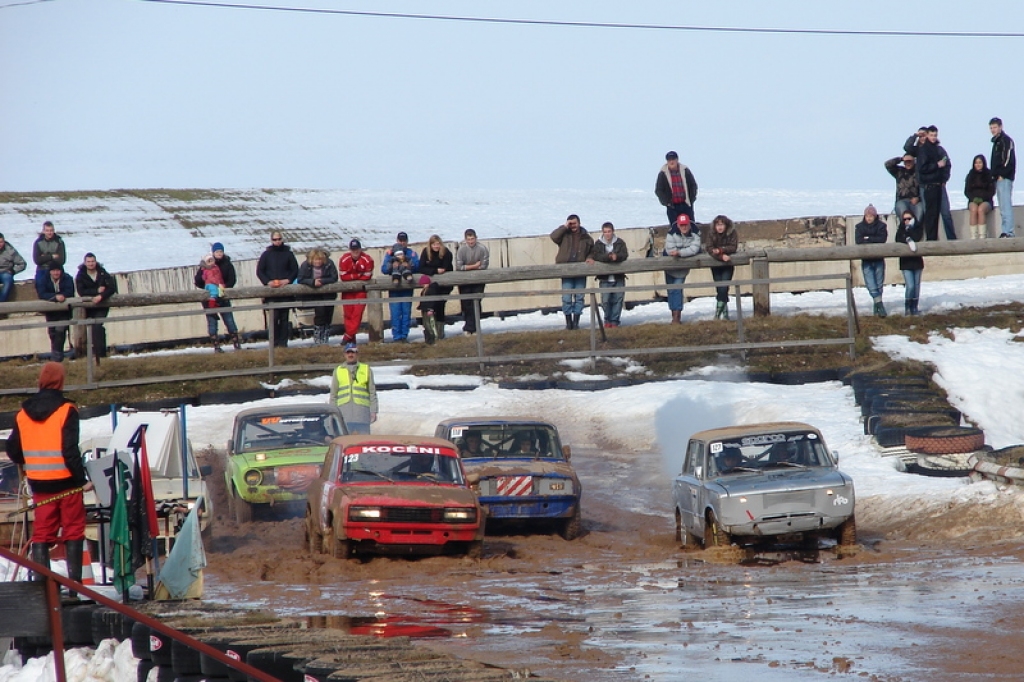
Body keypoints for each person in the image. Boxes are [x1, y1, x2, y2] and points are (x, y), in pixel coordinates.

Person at [6, 362, 94, 590]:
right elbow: (70, 450)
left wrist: (32, 465)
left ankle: (41, 589)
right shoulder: (67, 410)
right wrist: (82, 481)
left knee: (42, 533)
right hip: (67, 485)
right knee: (73, 529)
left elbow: (13, 450)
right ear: (61, 381)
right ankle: (75, 586)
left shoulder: (23, 413)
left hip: (40, 485)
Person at [193, 242, 241, 351]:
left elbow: (232, 280)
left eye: (221, 251)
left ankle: (236, 343)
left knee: (229, 320)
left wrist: (223, 288)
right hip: (209, 298)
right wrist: (208, 286)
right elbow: (198, 281)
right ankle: (216, 346)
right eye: (217, 251)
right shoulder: (205, 265)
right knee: (212, 322)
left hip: (223, 296)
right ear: (213, 253)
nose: (219, 253)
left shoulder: (227, 264)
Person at [909, 126, 953, 241]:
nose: (933, 138)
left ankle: (945, 238)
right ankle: (931, 239)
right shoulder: (923, 150)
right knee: (930, 214)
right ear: (927, 135)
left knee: (941, 214)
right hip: (929, 186)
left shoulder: (938, 149)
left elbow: (947, 164)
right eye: (931, 135)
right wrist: (936, 165)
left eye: (935, 135)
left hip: (938, 185)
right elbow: (923, 168)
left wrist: (944, 179)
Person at [256, 231, 299, 347]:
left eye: (279, 239)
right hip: (272, 292)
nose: (277, 241)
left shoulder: (288, 254)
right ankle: (274, 343)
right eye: (275, 239)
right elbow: (260, 271)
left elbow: (295, 270)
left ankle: (283, 343)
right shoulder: (266, 254)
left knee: (284, 318)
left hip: (285, 291)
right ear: (271, 241)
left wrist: (287, 280)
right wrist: (268, 282)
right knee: (274, 318)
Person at [551, 215, 594, 330]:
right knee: (566, 297)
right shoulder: (564, 235)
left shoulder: (586, 238)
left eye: (574, 223)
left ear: (579, 223)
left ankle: (576, 322)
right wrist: (564, 227)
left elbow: (592, 251)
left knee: (579, 297)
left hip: (580, 270)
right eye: (571, 224)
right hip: (566, 270)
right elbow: (553, 237)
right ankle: (568, 322)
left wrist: (589, 258)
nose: (573, 226)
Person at [74, 252, 118, 361]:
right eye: (88, 262)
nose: (91, 264)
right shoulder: (80, 275)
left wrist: (101, 296)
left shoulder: (102, 272)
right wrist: (96, 292)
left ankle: (101, 354)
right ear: (85, 263)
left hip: (102, 305)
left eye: (92, 261)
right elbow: (81, 291)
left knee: (97, 326)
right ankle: (92, 353)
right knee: (91, 328)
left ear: (95, 261)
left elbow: (112, 288)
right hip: (89, 306)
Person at [329, 343, 378, 434]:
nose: (350, 355)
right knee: (346, 442)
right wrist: (333, 413)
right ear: (344, 354)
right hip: (344, 415)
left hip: (362, 414)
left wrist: (373, 411)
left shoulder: (366, 369)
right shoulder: (338, 370)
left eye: (353, 352)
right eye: (348, 353)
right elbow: (333, 395)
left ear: (357, 354)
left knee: (363, 443)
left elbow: (372, 392)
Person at [380, 232, 419, 342]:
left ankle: (404, 336)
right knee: (395, 313)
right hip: (394, 289)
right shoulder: (390, 253)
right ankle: (396, 337)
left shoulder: (411, 253)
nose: (402, 243)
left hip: (407, 288)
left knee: (406, 313)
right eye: (400, 241)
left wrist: (410, 266)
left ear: (407, 242)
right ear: (397, 240)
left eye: (404, 241)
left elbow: (417, 266)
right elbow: (384, 269)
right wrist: (392, 266)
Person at [663, 214, 702, 324]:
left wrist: (680, 253)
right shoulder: (671, 233)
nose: (684, 227)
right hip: (669, 265)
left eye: (686, 225)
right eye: (682, 225)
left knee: (678, 289)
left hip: (683, 266)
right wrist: (684, 252)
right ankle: (673, 313)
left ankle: (677, 316)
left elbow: (694, 249)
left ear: (689, 224)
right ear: (678, 225)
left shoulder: (695, 233)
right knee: (670, 290)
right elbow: (670, 249)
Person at [297, 246, 339, 345]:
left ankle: (325, 337)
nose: (318, 262)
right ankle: (318, 337)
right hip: (314, 294)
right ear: (312, 260)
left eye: (320, 259)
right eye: (316, 259)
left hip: (328, 294)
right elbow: (300, 279)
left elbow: (334, 277)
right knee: (320, 314)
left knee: (328, 315)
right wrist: (312, 282)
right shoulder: (305, 265)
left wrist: (322, 281)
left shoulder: (329, 264)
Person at [417, 234, 454, 344]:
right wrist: (434, 271)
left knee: (440, 306)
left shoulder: (446, 253)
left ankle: (440, 332)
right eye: (434, 244)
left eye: (438, 244)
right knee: (429, 308)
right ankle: (430, 333)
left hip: (444, 285)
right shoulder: (426, 252)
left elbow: (445, 268)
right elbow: (422, 267)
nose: (436, 246)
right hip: (431, 286)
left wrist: (435, 270)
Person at [591, 221, 629, 328]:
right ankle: (607, 319)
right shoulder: (598, 244)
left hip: (618, 276)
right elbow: (596, 256)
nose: (607, 234)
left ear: (613, 231)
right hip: (604, 278)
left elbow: (624, 254)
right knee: (605, 301)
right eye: (605, 232)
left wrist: (617, 257)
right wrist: (608, 257)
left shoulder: (620, 243)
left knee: (618, 300)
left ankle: (615, 321)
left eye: (609, 231)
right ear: (602, 232)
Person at [36, 263, 75, 361]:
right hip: (51, 312)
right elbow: (42, 293)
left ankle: (56, 358)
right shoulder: (43, 280)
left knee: (60, 331)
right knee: (52, 333)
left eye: (58, 270)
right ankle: (57, 356)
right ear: (50, 271)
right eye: (54, 270)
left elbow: (70, 292)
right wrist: (55, 297)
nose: (56, 273)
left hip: (64, 312)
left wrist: (62, 296)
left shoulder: (67, 278)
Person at [338, 238, 374, 344]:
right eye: (353, 250)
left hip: (361, 291)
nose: (355, 252)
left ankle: (348, 336)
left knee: (357, 314)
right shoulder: (344, 259)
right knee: (348, 314)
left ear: (360, 249)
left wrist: (352, 277)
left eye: (357, 249)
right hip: (347, 290)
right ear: (350, 250)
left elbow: (367, 276)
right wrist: (358, 275)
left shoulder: (367, 259)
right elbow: (343, 276)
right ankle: (351, 339)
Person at [854, 205, 888, 317]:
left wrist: (868, 238)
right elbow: (858, 241)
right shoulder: (859, 227)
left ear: (875, 216)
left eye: (871, 216)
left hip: (878, 258)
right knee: (871, 284)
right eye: (867, 216)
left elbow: (881, 239)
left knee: (879, 284)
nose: (869, 218)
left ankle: (877, 306)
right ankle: (879, 305)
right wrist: (872, 239)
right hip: (866, 259)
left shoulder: (882, 226)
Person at [704, 215, 738, 320]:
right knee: (719, 288)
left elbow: (733, 247)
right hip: (715, 264)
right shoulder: (711, 234)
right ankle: (724, 310)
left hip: (728, 264)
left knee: (724, 287)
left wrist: (721, 250)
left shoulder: (732, 233)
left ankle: (718, 312)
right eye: (718, 225)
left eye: (722, 224)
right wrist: (720, 256)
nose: (720, 227)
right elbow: (709, 248)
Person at [455, 228, 489, 335]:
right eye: (468, 239)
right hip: (464, 280)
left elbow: (484, 265)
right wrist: (474, 266)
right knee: (466, 303)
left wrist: (468, 267)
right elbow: (459, 266)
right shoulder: (461, 250)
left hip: (478, 279)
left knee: (476, 302)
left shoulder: (482, 249)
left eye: (472, 239)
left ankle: (474, 327)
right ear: (465, 239)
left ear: (476, 238)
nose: (471, 241)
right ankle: (469, 327)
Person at [655, 150, 698, 226]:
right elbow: (658, 190)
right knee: (675, 228)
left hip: (686, 204)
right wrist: (666, 202)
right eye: (669, 160)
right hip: (672, 206)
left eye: (673, 159)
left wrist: (692, 199)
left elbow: (693, 185)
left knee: (691, 226)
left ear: (677, 160)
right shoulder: (663, 173)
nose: (671, 162)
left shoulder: (685, 170)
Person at [990, 117, 1016, 238]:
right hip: (998, 178)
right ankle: (1005, 230)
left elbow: (1007, 159)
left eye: (995, 127)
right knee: (1002, 207)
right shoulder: (996, 142)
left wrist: (1002, 174)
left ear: (1000, 127)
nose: (993, 130)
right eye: (991, 128)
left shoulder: (1006, 141)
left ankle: (1009, 231)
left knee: (1006, 206)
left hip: (1004, 178)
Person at [895, 210, 925, 315]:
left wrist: (909, 232)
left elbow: (917, 237)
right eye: (904, 219)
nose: (906, 221)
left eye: (909, 218)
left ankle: (914, 307)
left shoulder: (918, 227)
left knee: (916, 286)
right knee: (910, 285)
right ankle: (907, 306)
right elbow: (898, 238)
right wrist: (907, 237)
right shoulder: (901, 228)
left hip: (917, 261)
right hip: (906, 262)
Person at [965, 155, 996, 240]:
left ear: (983, 163)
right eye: (976, 163)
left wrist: (982, 199)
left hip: (986, 200)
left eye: (980, 162)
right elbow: (967, 191)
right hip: (973, 200)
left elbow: (992, 191)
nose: (978, 165)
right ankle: (973, 236)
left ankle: (982, 236)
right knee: (974, 209)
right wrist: (974, 199)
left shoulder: (989, 174)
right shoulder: (970, 175)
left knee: (981, 210)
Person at [884, 154, 923, 222]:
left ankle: (916, 230)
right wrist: (901, 159)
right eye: (906, 162)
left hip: (916, 201)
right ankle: (905, 230)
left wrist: (918, 198)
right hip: (902, 200)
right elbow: (887, 164)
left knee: (919, 214)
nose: (908, 163)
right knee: (904, 215)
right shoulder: (899, 171)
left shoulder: (919, 172)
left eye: (910, 161)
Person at [32, 221, 66, 294]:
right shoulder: (38, 242)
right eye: (47, 230)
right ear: (43, 231)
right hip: (42, 268)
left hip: (56, 268)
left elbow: (61, 260)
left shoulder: (59, 242)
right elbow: (37, 260)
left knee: (64, 283)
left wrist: (44, 257)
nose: (49, 233)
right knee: (40, 284)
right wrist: (52, 256)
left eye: (51, 230)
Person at [0, 232, 27, 303]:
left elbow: (22, 263)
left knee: (8, 281)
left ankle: (1, 303)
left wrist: (13, 271)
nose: (0, 244)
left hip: (5, 272)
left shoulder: (10, 250)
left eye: (1, 242)